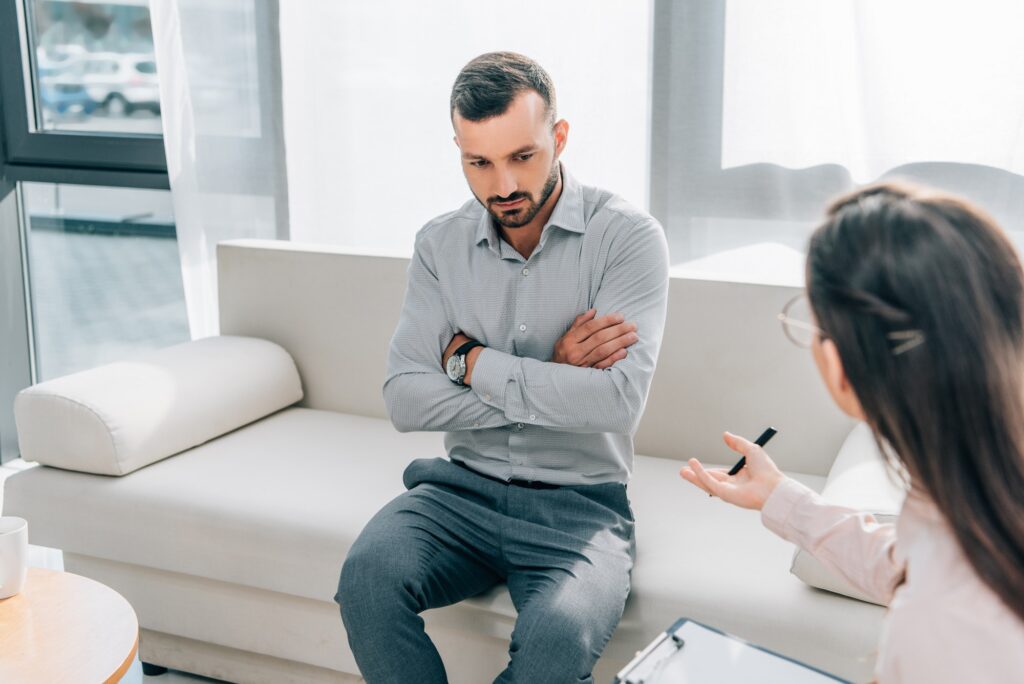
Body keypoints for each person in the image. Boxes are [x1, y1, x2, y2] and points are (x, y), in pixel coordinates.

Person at [335, 52, 669, 683]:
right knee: (367, 578)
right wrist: (554, 370)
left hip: (582, 507)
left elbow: (616, 402)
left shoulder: (626, 237)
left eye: (523, 156)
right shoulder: (439, 245)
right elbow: (406, 399)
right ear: (458, 149)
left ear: (559, 137)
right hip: (458, 491)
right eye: (478, 162)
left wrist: (471, 361)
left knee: (558, 637)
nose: (503, 185)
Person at [680, 182, 1024, 682]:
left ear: (839, 363)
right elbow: (910, 563)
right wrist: (779, 496)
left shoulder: (941, 629)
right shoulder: (975, 487)